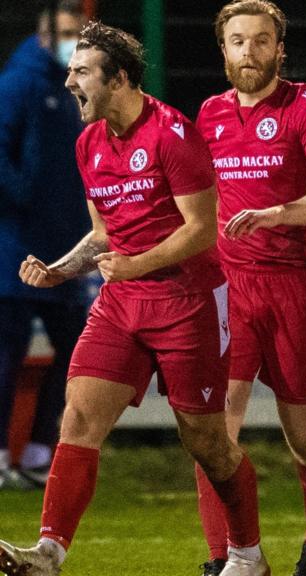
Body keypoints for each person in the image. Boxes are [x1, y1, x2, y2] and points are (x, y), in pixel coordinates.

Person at [0, 21, 269, 576]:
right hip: (122, 305)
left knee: (206, 442)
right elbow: (103, 234)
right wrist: (58, 271)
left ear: (118, 78)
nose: (70, 81)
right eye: (71, 70)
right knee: (77, 418)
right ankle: (48, 555)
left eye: (81, 72)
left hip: (189, 303)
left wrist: (136, 265)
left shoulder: (173, 135)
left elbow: (201, 229)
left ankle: (248, 556)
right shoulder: (88, 142)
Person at [192, 2, 306, 575]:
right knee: (213, 427)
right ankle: (229, 557)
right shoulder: (208, 115)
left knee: (305, 437)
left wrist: (276, 213)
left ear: (279, 50)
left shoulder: (304, 106)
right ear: (224, 50)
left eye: (261, 42)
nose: (249, 52)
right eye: (238, 42)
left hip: (297, 286)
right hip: (231, 289)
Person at [0, 0, 88, 491]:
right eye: (68, 32)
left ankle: (36, 454)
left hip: (66, 252)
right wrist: (25, 201)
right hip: (14, 248)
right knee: (4, 355)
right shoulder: (18, 83)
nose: (75, 40)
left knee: (77, 351)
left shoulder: (78, 88)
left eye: (80, 32)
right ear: (45, 34)